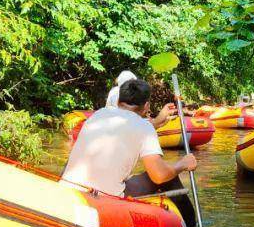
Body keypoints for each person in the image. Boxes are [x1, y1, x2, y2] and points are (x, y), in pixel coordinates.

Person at [62, 79, 197, 197]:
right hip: (104, 198)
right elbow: (159, 175)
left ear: (119, 101)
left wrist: (158, 121)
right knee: (169, 177)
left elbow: (130, 127)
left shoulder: (98, 114)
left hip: (68, 187)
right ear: (146, 106)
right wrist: (183, 164)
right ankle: (190, 225)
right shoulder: (144, 128)